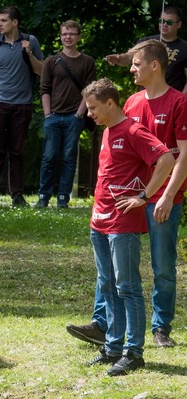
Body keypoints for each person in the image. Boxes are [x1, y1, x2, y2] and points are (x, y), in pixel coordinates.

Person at [68, 40, 187, 349]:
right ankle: (101, 323)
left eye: (136, 63)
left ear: (155, 66)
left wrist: (166, 193)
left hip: (163, 197)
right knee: (111, 267)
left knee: (162, 266)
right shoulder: (131, 102)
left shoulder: (178, 102)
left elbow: (182, 155)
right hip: (128, 200)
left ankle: (160, 328)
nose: (131, 68)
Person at [80, 78, 175, 376]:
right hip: (100, 221)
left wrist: (144, 196)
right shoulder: (107, 131)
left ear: (110, 103)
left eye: (93, 108)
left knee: (127, 287)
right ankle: (112, 347)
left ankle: (133, 353)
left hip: (123, 224)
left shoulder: (133, 130)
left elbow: (166, 158)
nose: (89, 114)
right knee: (107, 284)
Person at [0, 6, 44, 207]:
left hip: (22, 104)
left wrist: (29, 53)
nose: (0, 24)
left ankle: (17, 195)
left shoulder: (30, 41)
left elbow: (42, 71)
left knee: (17, 151)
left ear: (15, 22)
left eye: (4, 20)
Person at [35, 20, 96, 209]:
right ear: (60, 37)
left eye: (71, 33)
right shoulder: (51, 61)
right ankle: (43, 197)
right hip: (52, 116)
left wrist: (79, 114)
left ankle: (63, 197)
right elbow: (44, 89)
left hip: (74, 117)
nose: (67, 37)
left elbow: (89, 90)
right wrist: (47, 114)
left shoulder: (87, 61)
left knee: (69, 157)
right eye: (64, 34)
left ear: (78, 37)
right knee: (49, 157)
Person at [105, 5, 187, 93]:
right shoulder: (147, 42)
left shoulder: (185, 47)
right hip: (146, 98)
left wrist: (181, 99)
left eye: (169, 22)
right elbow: (129, 57)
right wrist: (118, 58)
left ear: (178, 24)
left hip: (171, 100)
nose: (164, 25)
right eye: (161, 21)